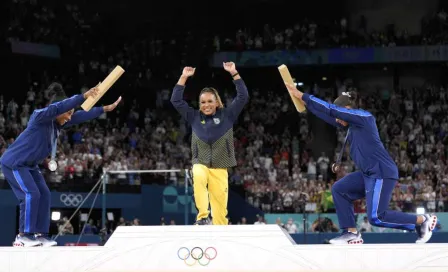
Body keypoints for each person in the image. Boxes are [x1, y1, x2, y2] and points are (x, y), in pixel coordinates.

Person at [284, 83, 437, 245]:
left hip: (381, 171)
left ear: (348, 109)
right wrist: (306, 105)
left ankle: (422, 220)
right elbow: (327, 115)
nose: (336, 120)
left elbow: (330, 109)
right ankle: (350, 232)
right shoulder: (351, 126)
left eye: (339, 114)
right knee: (339, 189)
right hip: (368, 174)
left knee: (376, 217)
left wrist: (303, 95)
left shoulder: (364, 117)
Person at [0, 82, 121, 247]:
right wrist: (82, 96)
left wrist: (103, 109)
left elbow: (81, 115)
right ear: (59, 109)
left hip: (30, 166)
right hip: (14, 163)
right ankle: (23, 236)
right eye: (68, 113)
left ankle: (41, 235)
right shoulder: (40, 116)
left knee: (45, 194)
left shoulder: (58, 123)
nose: (70, 117)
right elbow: (60, 107)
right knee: (31, 194)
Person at [171, 62, 249, 225]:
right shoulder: (193, 116)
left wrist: (234, 73)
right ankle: (202, 216)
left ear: (217, 102)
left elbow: (243, 96)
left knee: (220, 215)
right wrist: (184, 77)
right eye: (203, 102)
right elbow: (176, 100)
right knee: (198, 174)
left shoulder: (227, 115)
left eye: (209, 101)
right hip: (201, 163)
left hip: (220, 168)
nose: (206, 105)